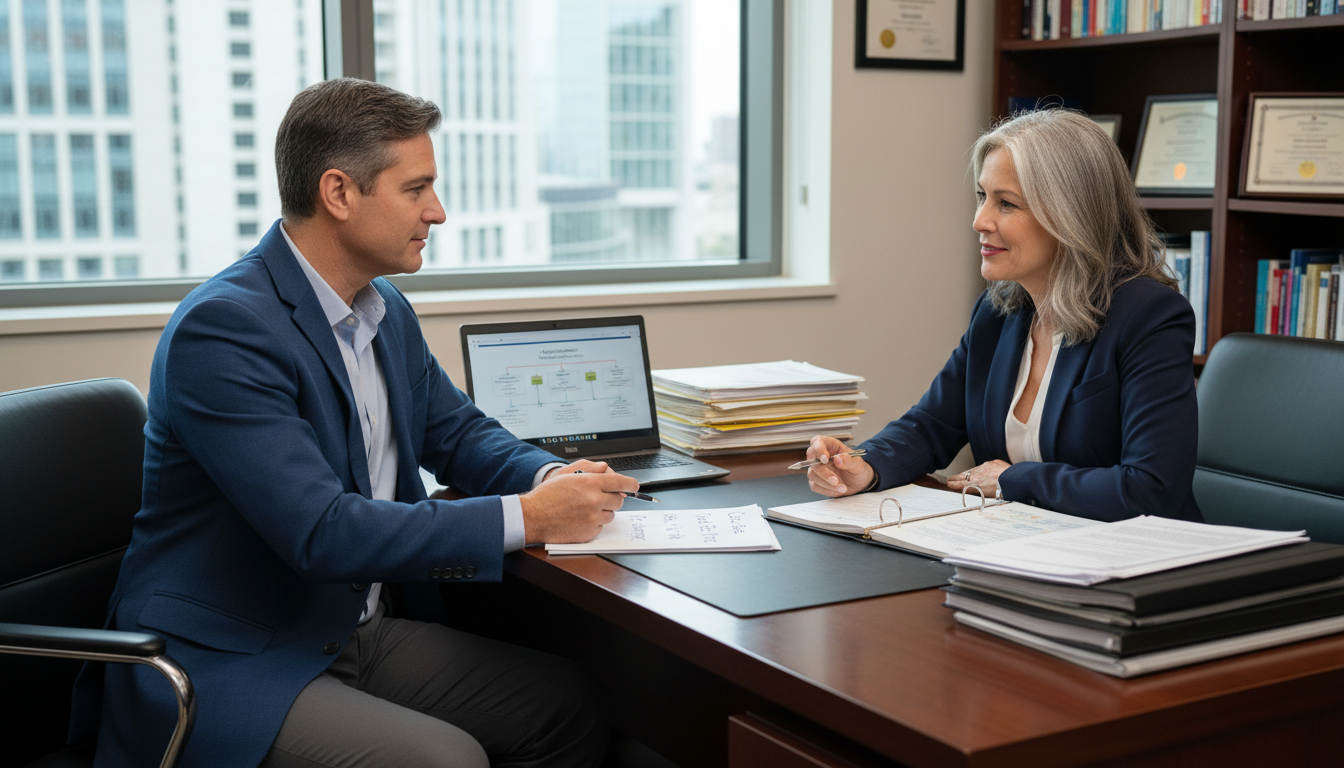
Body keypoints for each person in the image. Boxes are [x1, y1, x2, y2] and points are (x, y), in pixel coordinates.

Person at [70, 78, 639, 768]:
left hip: (346, 631)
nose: (439, 212)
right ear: (339, 193)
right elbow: (321, 532)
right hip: (226, 656)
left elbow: (456, 433)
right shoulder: (224, 331)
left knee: (566, 703)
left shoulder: (381, 308)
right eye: (416, 188)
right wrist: (530, 515)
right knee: (443, 760)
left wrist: (555, 477)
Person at [806, 109, 1202, 523]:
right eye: (982, 196)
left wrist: (1015, 480)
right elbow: (930, 425)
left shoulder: (1149, 316)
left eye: (1006, 204)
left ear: (1071, 215)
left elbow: (1151, 489)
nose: (980, 220)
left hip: (1135, 562)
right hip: (1023, 543)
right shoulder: (999, 310)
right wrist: (863, 466)